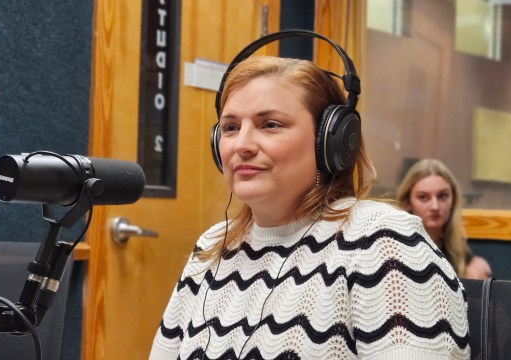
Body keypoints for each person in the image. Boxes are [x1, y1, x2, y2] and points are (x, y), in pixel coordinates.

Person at [150, 52, 470, 359]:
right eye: (231, 127)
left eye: (270, 124)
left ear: (330, 141)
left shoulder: (382, 241)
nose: (242, 145)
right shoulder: (212, 247)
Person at [396, 158, 492, 280]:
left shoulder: (466, 262)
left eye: (442, 196)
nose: (435, 206)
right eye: (423, 197)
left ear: (453, 200)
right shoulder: (395, 252)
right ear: (407, 203)